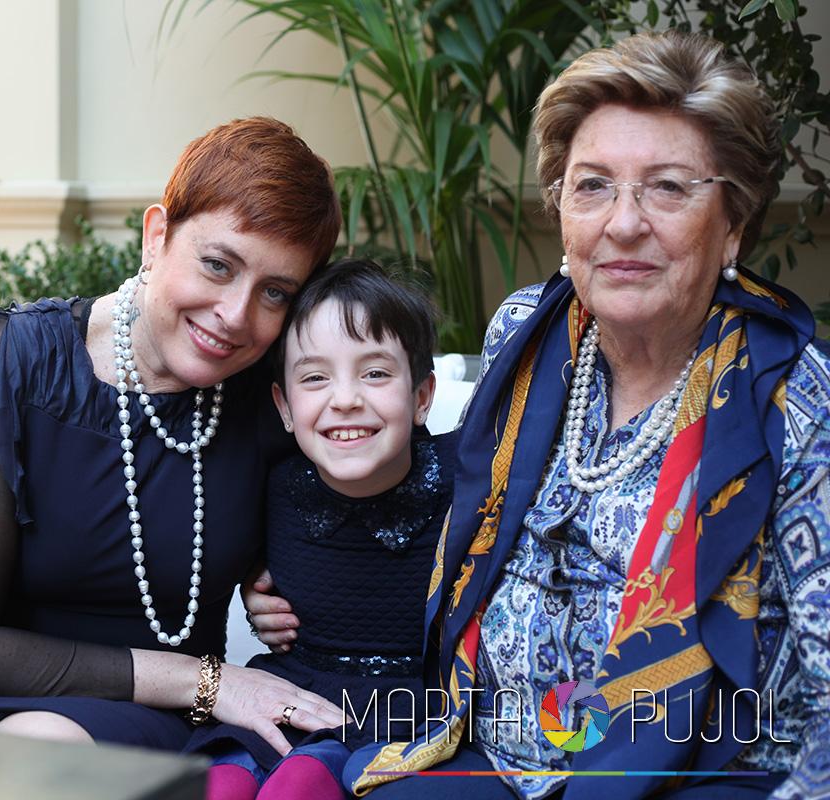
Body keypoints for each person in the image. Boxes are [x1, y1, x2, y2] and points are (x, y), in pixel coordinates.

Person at [252, 32, 830, 799]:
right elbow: (422, 483)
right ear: (562, 211)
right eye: (593, 186)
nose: (623, 222)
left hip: (700, 772)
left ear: (733, 225)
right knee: (367, 786)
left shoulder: (792, 395)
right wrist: (277, 570)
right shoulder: (526, 335)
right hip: (502, 757)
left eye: (667, 187)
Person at [0, 117, 344, 754]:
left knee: (36, 745)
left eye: (275, 293)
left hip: (144, 722)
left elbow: (373, 504)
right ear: (157, 235)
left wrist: (276, 573)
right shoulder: (11, 363)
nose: (235, 315)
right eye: (217, 265)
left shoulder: (266, 397)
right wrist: (205, 680)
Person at [185, 259, 455, 800]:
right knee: (222, 782)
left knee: (302, 783)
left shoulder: (466, 483)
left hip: (407, 710)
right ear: (285, 407)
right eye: (314, 378)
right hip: (290, 691)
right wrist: (252, 585)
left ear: (422, 397)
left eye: (375, 373)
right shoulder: (273, 483)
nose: (345, 398)